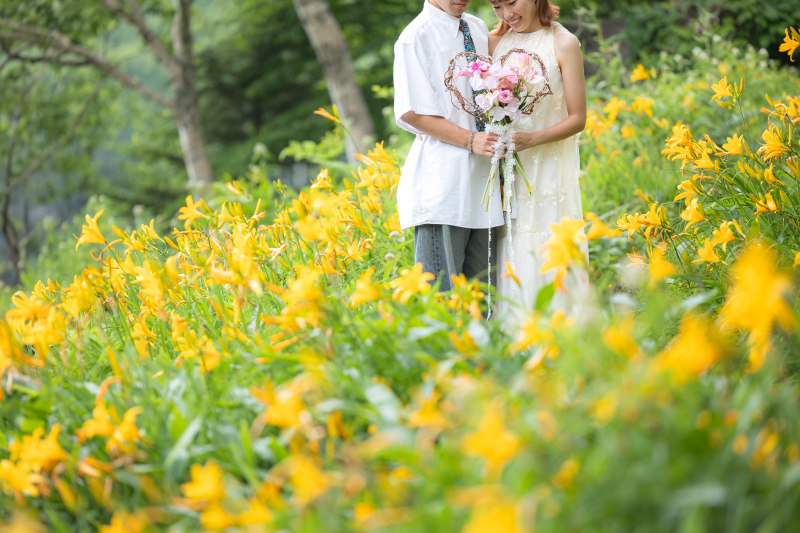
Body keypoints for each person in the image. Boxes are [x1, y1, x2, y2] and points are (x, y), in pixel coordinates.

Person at [393, 0, 504, 292]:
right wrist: (470, 139)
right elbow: (410, 111)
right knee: (443, 298)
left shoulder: (476, 27)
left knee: (485, 298)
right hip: (443, 187)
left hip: (484, 183)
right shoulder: (415, 36)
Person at [487, 0, 588, 320]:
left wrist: (532, 140)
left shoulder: (563, 43)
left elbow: (578, 118)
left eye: (512, 2)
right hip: (505, 174)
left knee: (543, 243)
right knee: (509, 246)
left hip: (547, 171)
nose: (507, 14)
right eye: (496, 6)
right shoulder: (493, 42)